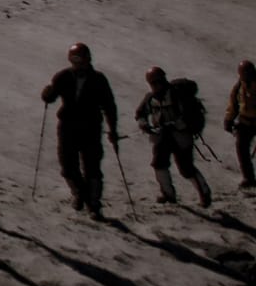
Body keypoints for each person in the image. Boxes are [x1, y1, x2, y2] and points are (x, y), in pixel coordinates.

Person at [39, 42, 121, 216]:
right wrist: (47, 94)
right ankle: (80, 194)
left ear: (87, 58)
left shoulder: (99, 79)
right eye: (74, 59)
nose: (77, 63)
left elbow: (109, 106)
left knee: (92, 165)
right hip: (68, 127)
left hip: (91, 128)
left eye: (80, 58)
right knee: (67, 165)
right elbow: (51, 96)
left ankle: (93, 203)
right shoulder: (63, 76)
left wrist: (113, 129)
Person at [136, 66, 213, 207]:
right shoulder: (151, 98)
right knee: (159, 164)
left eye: (157, 82)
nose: (155, 85)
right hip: (163, 136)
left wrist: (177, 124)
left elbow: (189, 116)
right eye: (152, 83)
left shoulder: (178, 95)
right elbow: (140, 114)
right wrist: (144, 124)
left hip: (181, 136)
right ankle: (168, 194)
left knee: (186, 168)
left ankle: (204, 192)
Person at [227, 60, 256, 190]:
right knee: (242, 149)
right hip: (245, 122)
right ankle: (248, 177)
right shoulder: (239, 86)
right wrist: (229, 119)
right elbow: (233, 104)